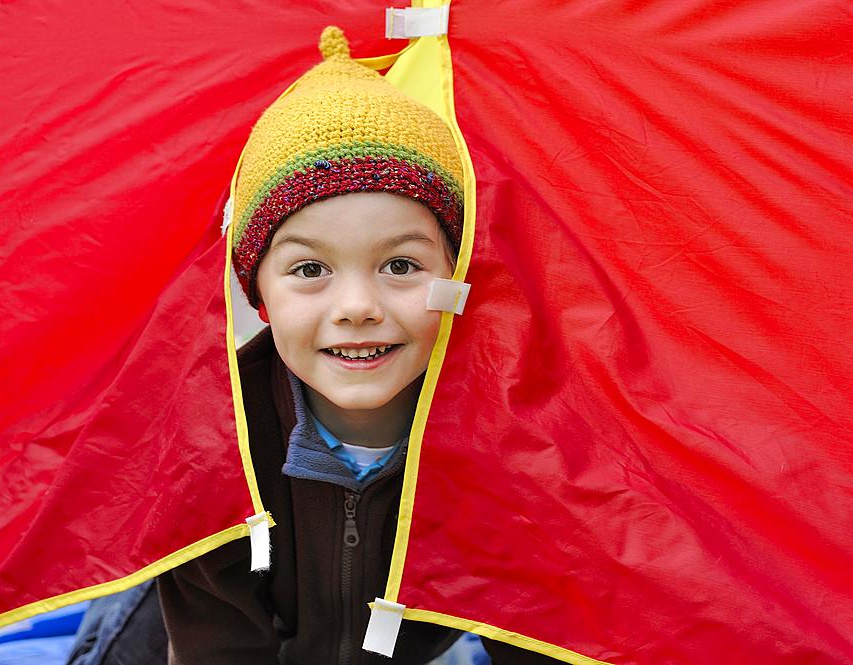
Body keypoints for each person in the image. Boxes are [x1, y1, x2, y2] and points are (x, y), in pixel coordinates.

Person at [151, 25, 560, 665]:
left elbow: (543, 632)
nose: (359, 309)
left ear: (456, 279)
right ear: (259, 292)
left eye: (400, 266)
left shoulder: (514, 439)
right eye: (311, 271)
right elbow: (218, 652)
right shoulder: (211, 442)